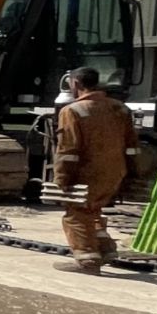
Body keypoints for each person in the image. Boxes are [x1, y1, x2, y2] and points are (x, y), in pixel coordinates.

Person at [52, 66, 139, 274]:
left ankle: (87, 260)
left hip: (88, 173)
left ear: (75, 84)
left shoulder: (72, 111)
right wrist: (132, 173)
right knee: (94, 209)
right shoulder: (120, 108)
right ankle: (106, 249)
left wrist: (62, 179)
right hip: (115, 171)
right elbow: (132, 145)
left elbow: (68, 150)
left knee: (76, 214)